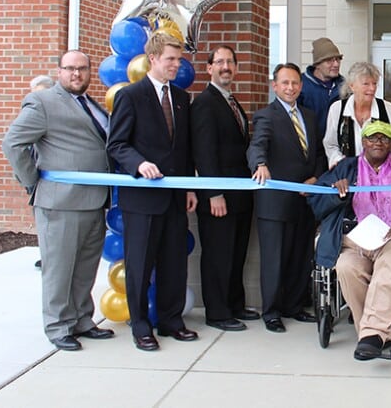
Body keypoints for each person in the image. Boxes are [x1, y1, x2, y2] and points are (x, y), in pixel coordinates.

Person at [3, 51, 113, 351]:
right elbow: (13, 143)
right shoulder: (43, 102)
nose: (76, 74)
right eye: (70, 69)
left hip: (94, 201)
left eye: (82, 69)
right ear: (60, 71)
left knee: (84, 268)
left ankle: (81, 320)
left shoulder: (91, 103)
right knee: (60, 269)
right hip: (60, 202)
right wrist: (32, 182)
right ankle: (57, 326)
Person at [307, 121, 391, 361]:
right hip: (355, 240)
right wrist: (337, 195)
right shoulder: (345, 170)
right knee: (346, 267)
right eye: (372, 138)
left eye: (384, 138)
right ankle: (380, 333)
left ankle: (371, 334)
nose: (378, 142)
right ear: (363, 142)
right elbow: (316, 204)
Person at [107, 33, 199, 352]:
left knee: (174, 262)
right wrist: (139, 163)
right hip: (142, 200)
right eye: (171, 59)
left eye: (179, 60)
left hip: (175, 198)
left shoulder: (181, 99)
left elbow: (183, 150)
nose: (176, 65)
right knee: (140, 265)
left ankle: (171, 321)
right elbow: (116, 144)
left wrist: (188, 187)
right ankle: (141, 326)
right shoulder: (131, 96)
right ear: (154, 59)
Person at [248, 63, 326, 333]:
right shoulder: (265, 116)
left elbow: (317, 155)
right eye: (285, 83)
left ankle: (294, 306)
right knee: (274, 260)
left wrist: (316, 178)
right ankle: (271, 312)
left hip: (305, 200)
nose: (290, 88)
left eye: (295, 83)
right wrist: (259, 164)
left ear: (301, 86)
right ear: (275, 86)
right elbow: (258, 144)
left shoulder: (310, 116)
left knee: (300, 257)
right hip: (276, 202)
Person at [191, 45, 258, 332]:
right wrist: (213, 193)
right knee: (218, 254)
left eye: (230, 61)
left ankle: (234, 304)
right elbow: (204, 153)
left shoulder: (231, 101)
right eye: (219, 62)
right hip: (218, 196)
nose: (225, 66)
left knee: (235, 253)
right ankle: (217, 312)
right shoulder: (205, 103)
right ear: (209, 68)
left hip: (239, 195)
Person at [323, 61, 391, 170]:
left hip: (380, 178)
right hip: (346, 176)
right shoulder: (337, 109)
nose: (372, 88)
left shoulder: (388, 109)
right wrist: (339, 162)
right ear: (352, 86)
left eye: (374, 83)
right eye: (366, 84)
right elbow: (331, 144)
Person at [28, 74, 54, 271]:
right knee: (42, 223)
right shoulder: (31, 116)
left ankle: (50, 257)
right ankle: (45, 254)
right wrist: (29, 177)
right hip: (37, 179)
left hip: (55, 183)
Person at [299, 37, 345, 138]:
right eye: (330, 61)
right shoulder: (300, 86)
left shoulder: (345, 87)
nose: (336, 64)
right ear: (317, 64)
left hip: (337, 149)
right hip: (310, 148)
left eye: (337, 59)